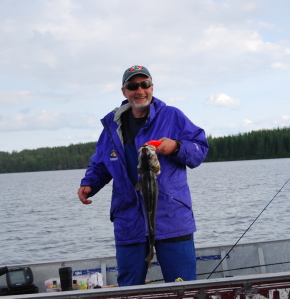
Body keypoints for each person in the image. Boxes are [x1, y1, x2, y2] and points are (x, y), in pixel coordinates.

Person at [77, 65, 209, 286]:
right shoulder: (112, 124)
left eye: (144, 84)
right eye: (133, 86)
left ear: (152, 87)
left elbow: (200, 149)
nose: (140, 90)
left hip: (172, 218)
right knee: (129, 288)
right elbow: (101, 162)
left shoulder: (172, 116)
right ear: (124, 91)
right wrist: (89, 183)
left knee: (182, 286)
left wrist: (176, 147)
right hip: (128, 219)